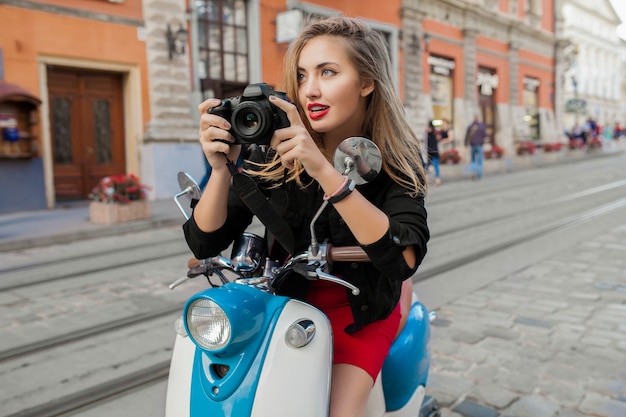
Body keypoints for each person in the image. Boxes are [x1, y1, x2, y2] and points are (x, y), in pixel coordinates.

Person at [183, 16, 429, 417]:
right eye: (301, 75)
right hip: (285, 305)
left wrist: (323, 168)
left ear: (366, 82)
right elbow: (205, 240)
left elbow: (401, 258)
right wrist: (220, 168)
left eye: (328, 72)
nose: (310, 89)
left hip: (361, 312)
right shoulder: (271, 152)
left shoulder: (396, 159)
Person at [464, 114, 487, 179]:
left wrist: (466, 144)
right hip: (480, 145)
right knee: (479, 161)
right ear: (478, 118)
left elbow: (466, 136)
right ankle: (479, 175)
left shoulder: (470, 126)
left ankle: (473, 172)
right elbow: (485, 136)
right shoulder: (482, 126)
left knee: (473, 160)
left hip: (473, 145)